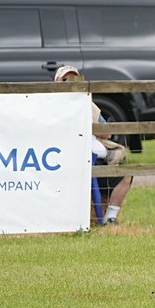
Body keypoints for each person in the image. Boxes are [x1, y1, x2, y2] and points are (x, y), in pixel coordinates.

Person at [55, 65, 132, 224]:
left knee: (126, 173)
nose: (69, 83)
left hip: (94, 160)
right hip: (63, 162)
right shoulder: (50, 105)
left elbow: (107, 133)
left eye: (74, 79)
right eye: (64, 80)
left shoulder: (88, 105)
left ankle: (110, 217)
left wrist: (92, 124)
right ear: (55, 82)